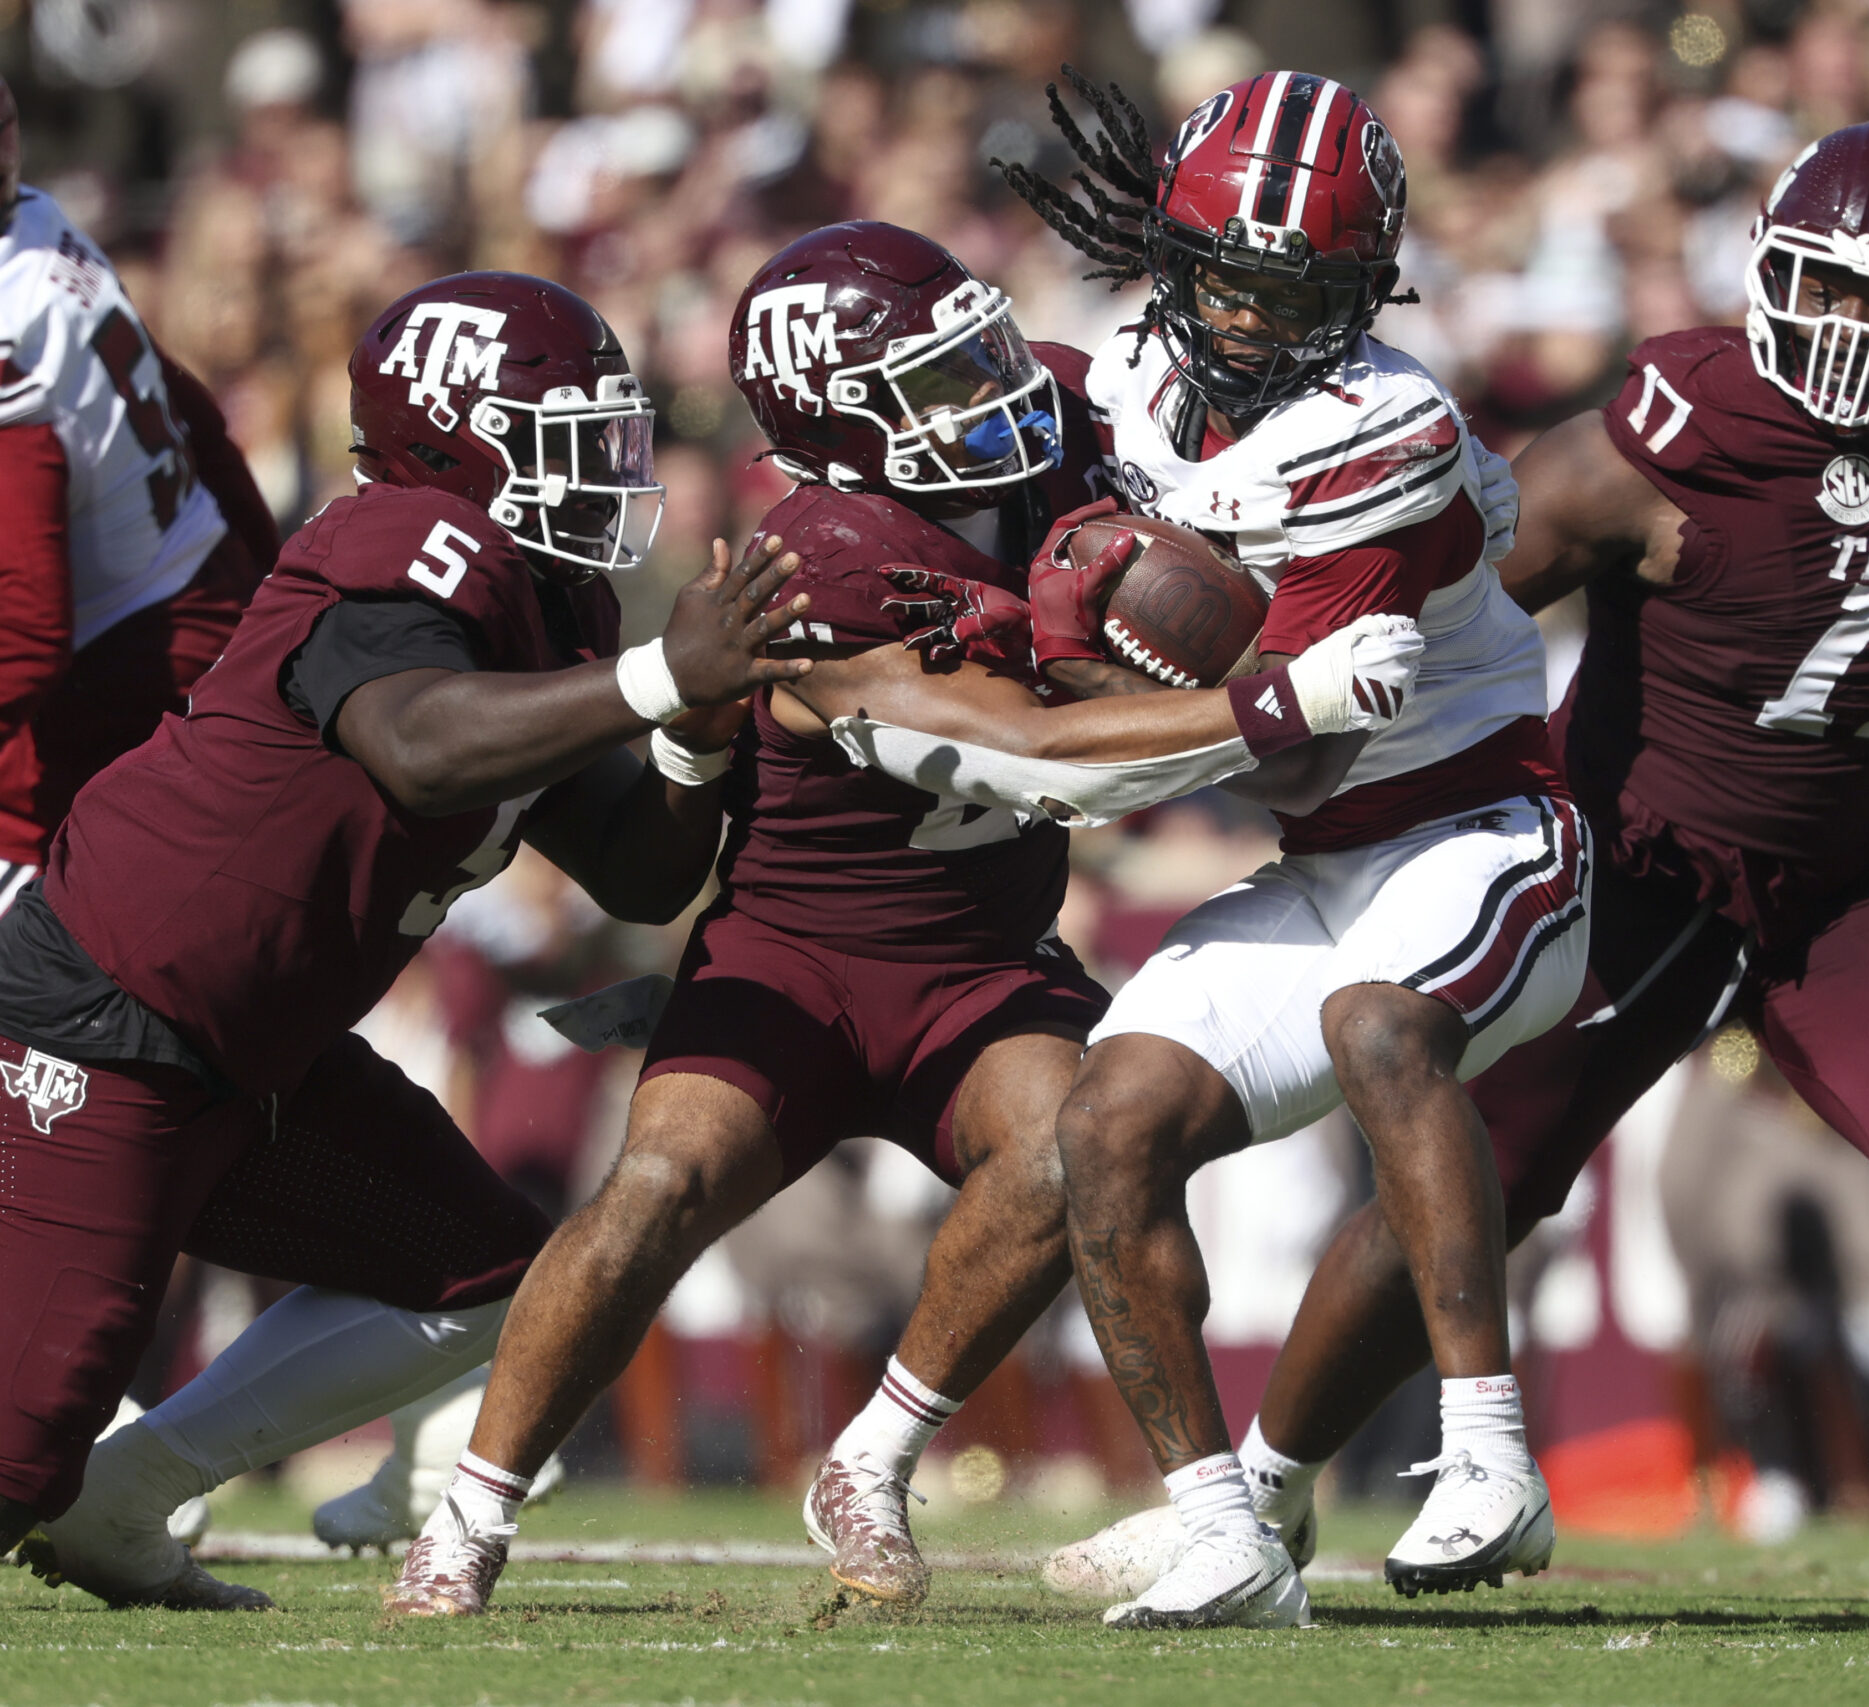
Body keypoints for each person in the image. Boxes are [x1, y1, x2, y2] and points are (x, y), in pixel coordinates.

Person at [1048, 119, 1869, 1615]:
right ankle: (1263, 1490)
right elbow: (1453, 608)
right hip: (1626, 848)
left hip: (1856, 861)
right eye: (1825, 290)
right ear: (1770, 278)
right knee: (1468, 1180)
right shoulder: (1673, 430)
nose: (1852, 333)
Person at [385, 223, 1423, 1619]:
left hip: (981, 959)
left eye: (977, 349)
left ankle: (870, 1456)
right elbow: (1019, 754)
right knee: (652, 1192)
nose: (991, 388)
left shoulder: (1051, 425)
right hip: (796, 952)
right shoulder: (812, 564)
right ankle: (468, 1514)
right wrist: (1281, 700)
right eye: (936, 380)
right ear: (840, 424)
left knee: (1081, 1152)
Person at [1, 271, 807, 1609]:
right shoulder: (400, 542)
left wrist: (695, 732)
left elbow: (640, 872)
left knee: (493, 1276)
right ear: (453, 437)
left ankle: (127, 1495)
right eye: (568, 436)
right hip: (111, 1012)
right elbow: (418, 746)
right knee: (13, 1457)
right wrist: (658, 678)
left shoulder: (552, 595)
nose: (607, 468)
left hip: (264, 1049)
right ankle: (66, 1488)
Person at [1004, 70, 1589, 1628]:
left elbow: (1302, 745)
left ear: (1366, 288)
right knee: (1107, 1123)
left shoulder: (1383, 423)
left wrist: (1087, 691)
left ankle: (1490, 1454)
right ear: (1172, 258)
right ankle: (1224, 1524)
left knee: (1381, 1020)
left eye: (1297, 290)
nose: (1254, 321)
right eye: (1230, 280)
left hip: (1480, 828)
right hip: (1321, 859)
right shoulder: (1121, 375)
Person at [0, 73, 274, 911]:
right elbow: (191, 410)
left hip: (122, 672)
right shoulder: (36, 221)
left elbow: (27, 621)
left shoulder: (10, 322)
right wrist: (265, 584)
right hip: (197, 588)